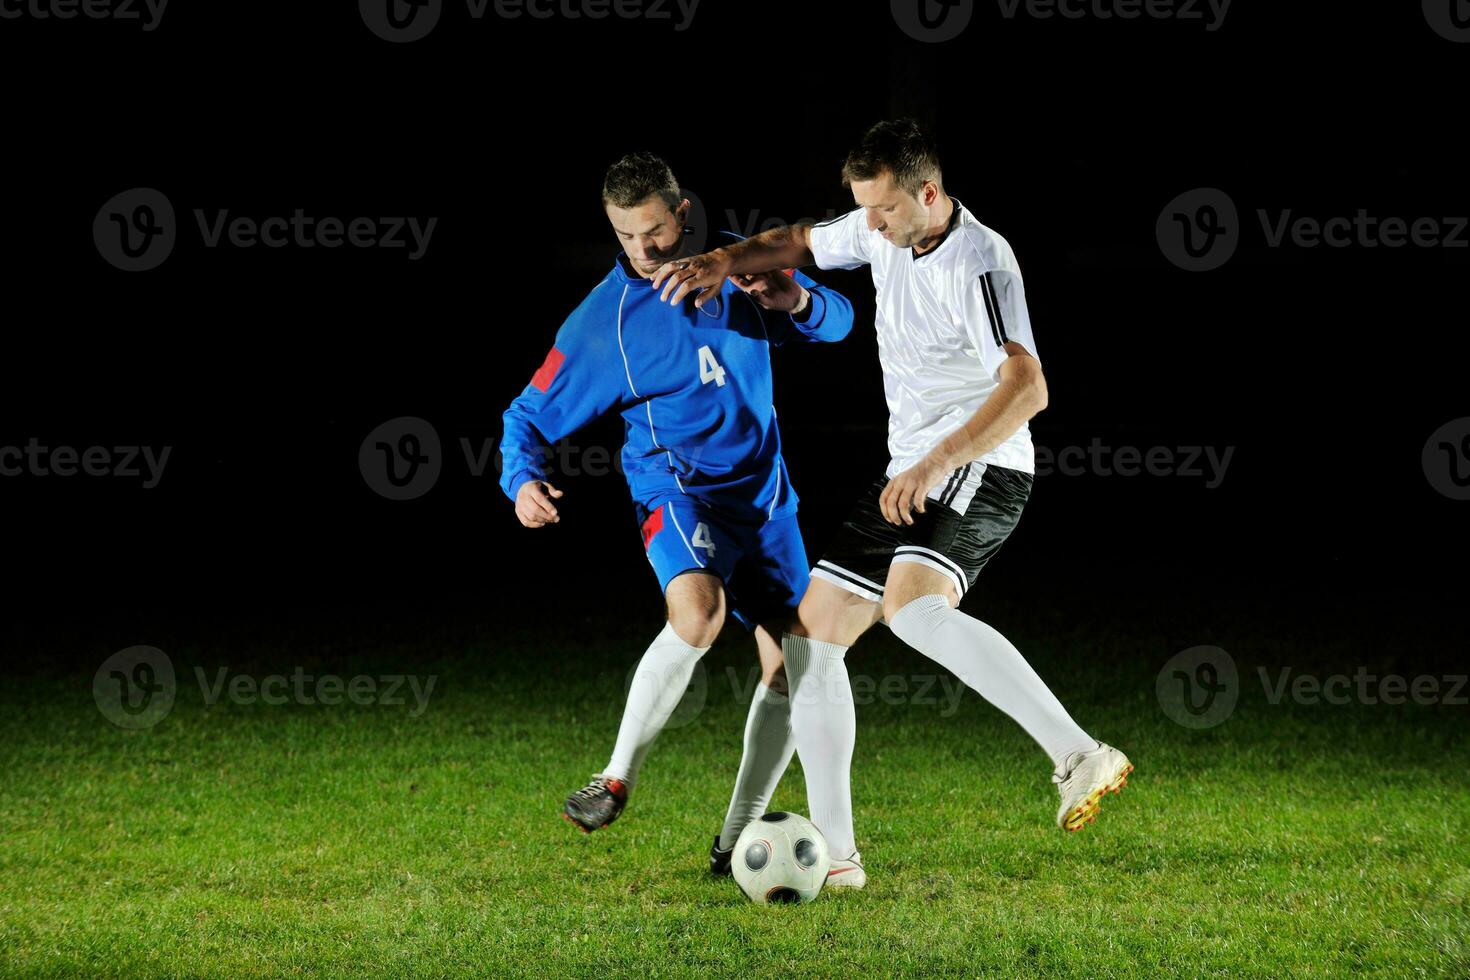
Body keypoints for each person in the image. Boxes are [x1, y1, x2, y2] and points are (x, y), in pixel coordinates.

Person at [652, 120, 1133, 889]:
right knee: (807, 638)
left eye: (883, 212)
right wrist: (721, 260)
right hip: (910, 474)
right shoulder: (883, 232)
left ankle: (1079, 753)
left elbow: (1029, 387)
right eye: (865, 211)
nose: (871, 227)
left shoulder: (979, 259)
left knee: (914, 609)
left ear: (929, 194)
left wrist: (941, 458)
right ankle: (839, 858)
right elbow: (803, 241)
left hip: (981, 464)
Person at [499, 151, 854, 874]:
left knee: (793, 664)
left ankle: (735, 841)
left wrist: (796, 300)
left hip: (764, 501)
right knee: (698, 613)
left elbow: (840, 323)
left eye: (655, 232)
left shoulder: (736, 268)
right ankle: (615, 776)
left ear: (682, 213)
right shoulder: (607, 323)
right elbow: (527, 415)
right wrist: (520, 481)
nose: (642, 250)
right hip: (676, 492)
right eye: (625, 236)